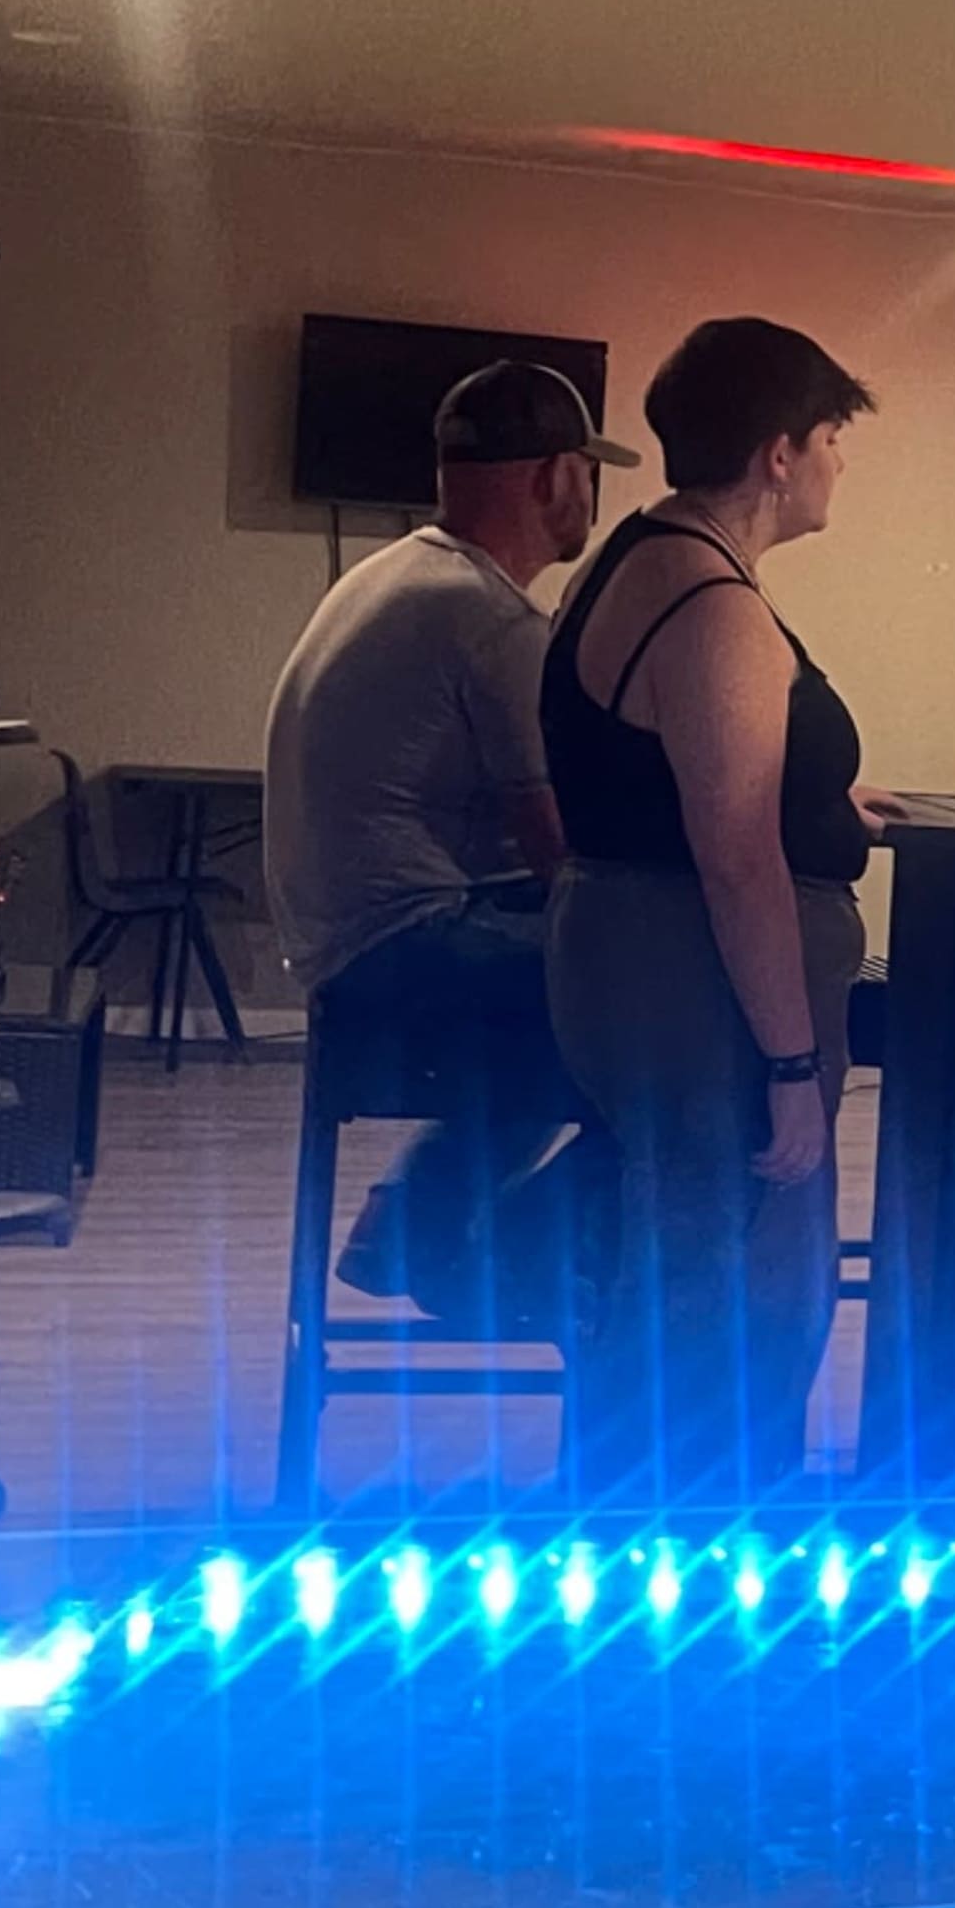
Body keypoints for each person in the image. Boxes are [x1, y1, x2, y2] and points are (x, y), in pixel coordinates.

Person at [543, 316, 875, 1500]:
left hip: (638, 957)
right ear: (779, 452)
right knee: (736, 1282)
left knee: (680, 1266)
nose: (839, 460)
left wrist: (826, 798)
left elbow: (680, 767)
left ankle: (642, 1533)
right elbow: (735, 856)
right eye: (831, 436)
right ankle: (697, 1546)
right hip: (695, 987)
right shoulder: (711, 598)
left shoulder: (644, 555)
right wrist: (789, 1063)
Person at [260, 355, 631, 1323]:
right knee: (669, 1026)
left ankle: (412, 1213)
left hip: (342, 940)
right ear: (554, 476)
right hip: (403, 944)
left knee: (599, 982)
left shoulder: (394, 575)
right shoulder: (492, 616)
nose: (590, 492)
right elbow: (561, 854)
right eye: (588, 470)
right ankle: (496, 1255)